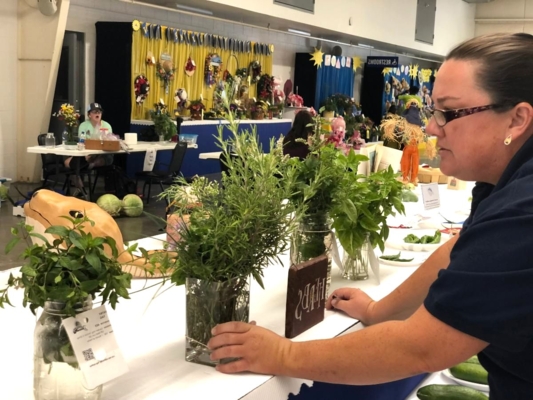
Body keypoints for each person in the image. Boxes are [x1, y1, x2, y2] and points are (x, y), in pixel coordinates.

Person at [207, 33, 533, 399]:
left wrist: (281, 354)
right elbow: (459, 250)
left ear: (517, 119)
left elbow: (420, 347)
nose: (429, 127)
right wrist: (379, 311)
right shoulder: (503, 182)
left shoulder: (523, 212)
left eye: (449, 113)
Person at [64, 103, 114, 194]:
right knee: (67, 163)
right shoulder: (83, 125)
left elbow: (109, 142)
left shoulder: (107, 126)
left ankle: (89, 165)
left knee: (81, 164)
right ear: (89, 115)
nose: (97, 114)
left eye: (99, 112)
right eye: (94, 112)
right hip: (87, 154)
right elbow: (82, 141)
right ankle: (82, 190)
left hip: (104, 155)